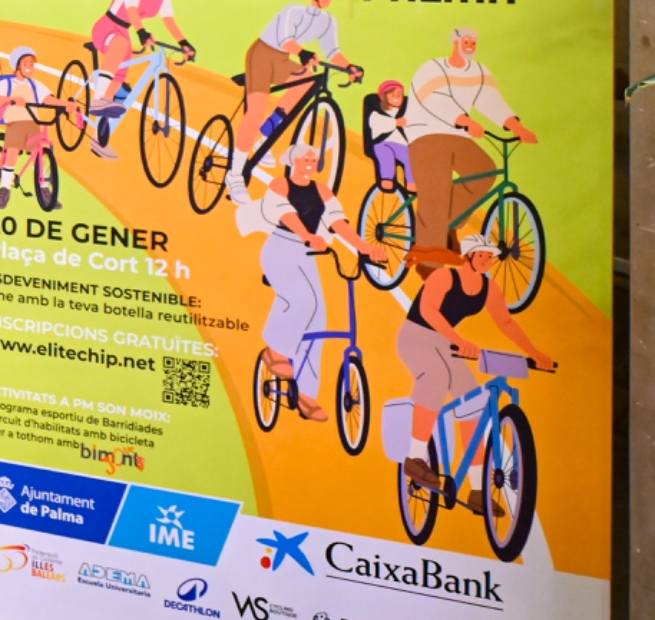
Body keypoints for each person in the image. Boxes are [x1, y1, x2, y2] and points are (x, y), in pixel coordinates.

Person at [227, 143, 384, 422]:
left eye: (314, 159)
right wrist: (306, 235)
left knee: (318, 320)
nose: (311, 162)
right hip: (280, 249)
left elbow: (338, 223)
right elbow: (285, 214)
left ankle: (307, 394)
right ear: (293, 161)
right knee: (301, 301)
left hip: (308, 254)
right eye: (306, 158)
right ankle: (275, 350)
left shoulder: (323, 191)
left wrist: (365, 248)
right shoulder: (280, 184)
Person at [396, 232, 554, 507]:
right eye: (481, 255)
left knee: (474, 404)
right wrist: (459, 340)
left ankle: (478, 491)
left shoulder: (489, 288)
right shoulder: (444, 277)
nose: (486, 260)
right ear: (468, 255)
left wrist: (535, 353)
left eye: (490, 256)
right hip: (415, 335)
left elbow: (506, 322)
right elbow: (429, 310)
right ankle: (415, 457)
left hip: (447, 342)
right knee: (436, 377)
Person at [401, 27, 536, 253]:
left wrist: (517, 127)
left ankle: (444, 225)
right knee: (437, 190)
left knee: (485, 171)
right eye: (466, 41)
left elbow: (492, 101)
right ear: (456, 42)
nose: (471, 45)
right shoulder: (433, 68)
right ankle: (429, 262)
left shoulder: (479, 73)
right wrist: (464, 120)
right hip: (426, 133)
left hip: (457, 134)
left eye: (474, 42)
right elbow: (434, 100)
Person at [236, 0, 360, 167]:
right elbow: (285, 39)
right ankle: (236, 170)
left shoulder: (328, 21)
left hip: (283, 60)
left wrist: (349, 66)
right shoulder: (293, 10)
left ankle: (266, 136)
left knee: (308, 81)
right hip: (262, 54)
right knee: (258, 108)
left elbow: (332, 50)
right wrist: (302, 53)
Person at [85, 0, 190, 157]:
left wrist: (184, 43)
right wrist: (141, 32)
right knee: (119, 45)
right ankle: (97, 100)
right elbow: (132, 10)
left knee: (120, 78)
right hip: (107, 27)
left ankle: (99, 139)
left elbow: (169, 21)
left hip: (124, 32)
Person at [0, 48, 69, 211]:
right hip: (15, 122)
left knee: (39, 153)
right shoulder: (7, 84)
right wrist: (12, 99)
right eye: (26, 64)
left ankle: (43, 188)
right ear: (18, 65)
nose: (29, 67)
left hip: (33, 122)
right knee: (13, 150)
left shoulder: (35, 84)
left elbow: (48, 99)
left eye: (32, 64)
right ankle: (5, 188)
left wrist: (66, 105)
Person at [364, 80, 412, 190]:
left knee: (410, 158)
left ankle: (411, 181)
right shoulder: (376, 114)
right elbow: (376, 123)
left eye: (399, 94)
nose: (396, 96)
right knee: (386, 156)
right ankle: (387, 178)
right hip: (383, 143)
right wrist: (395, 122)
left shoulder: (404, 113)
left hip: (401, 145)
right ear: (383, 97)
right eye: (392, 94)